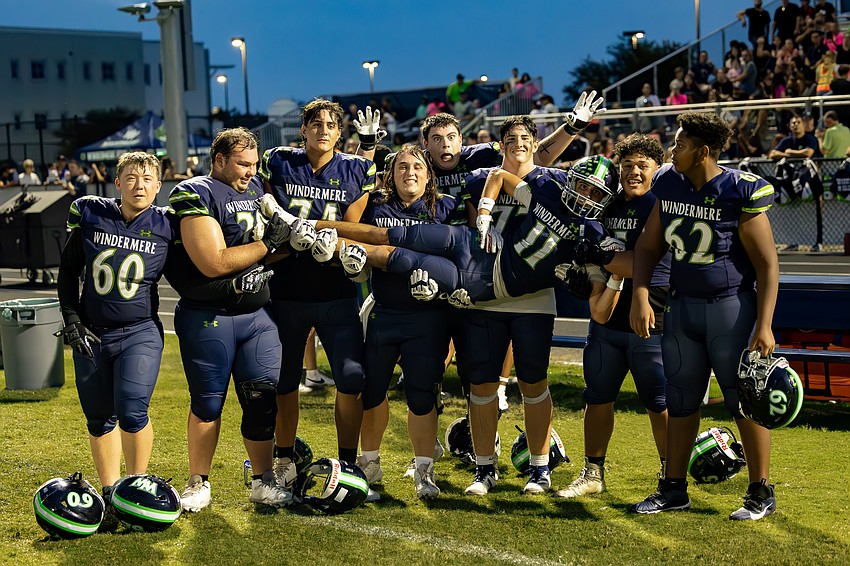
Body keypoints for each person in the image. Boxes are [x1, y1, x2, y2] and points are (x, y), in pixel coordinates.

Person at [630, 112, 780, 521]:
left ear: (704, 152)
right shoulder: (670, 183)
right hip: (681, 308)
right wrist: (640, 294)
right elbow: (647, 247)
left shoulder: (739, 190)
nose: (672, 151)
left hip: (730, 308)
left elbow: (767, 265)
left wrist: (764, 324)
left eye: (680, 144)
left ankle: (760, 490)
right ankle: (673, 488)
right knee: (680, 398)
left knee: (743, 400)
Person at [169, 127, 293, 512]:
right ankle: (198, 481)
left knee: (262, 400)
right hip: (211, 316)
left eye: (255, 165)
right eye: (242, 164)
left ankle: (261, 480)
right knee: (208, 402)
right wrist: (269, 244)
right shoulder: (195, 191)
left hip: (256, 315)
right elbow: (214, 262)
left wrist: (292, 242)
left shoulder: (255, 190)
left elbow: (263, 255)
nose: (250, 172)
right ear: (219, 159)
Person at [459, 116, 581, 496]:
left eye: (524, 138)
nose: (517, 144)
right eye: (509, 138)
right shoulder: (479, 179)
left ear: (534, 141)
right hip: (487, 296)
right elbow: (470, 237)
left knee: (534, 381)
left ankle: (540, 467)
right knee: (480, 384)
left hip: (534, 297)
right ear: (499, 144)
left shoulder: (552, 181)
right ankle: (483, 468)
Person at [258, 99, 376, 491]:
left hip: (335, 289)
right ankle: (285, 458)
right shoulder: (277, 160)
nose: (323, 130)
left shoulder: (357, 168)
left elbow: (353, 227)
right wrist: (283, 222)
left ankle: (347, 462)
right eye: (316, 124)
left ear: (339, 133)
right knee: (285, 381)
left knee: (351, 378)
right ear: (303, 130)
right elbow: (263, 205)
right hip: (286, 289)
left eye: (330, 125)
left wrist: (334, 237)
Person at [55, 152, 171, 525]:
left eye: (148, 178)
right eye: (132, 178)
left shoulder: (169, 225)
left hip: (139, 331)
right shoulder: (91, 213)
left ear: (158, 185)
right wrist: (72, 319)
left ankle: (135, 490)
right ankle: (110, 494)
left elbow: (194, 274)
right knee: (98, 417)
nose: (140, 184)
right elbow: (68, 270)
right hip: (91, 332)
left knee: (133, 409)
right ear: (117, 182)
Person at [556, 134, 669, 499]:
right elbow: (594, 257)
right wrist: (589, 271)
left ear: (655, 168)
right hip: (607, 318)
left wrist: (599, 257)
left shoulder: (662, 205)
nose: (634, 173)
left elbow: (643, 262)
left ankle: (671, 476)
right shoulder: (605, 203)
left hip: (652, 316)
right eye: (627, 166)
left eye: (642, 166)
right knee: (598, 395)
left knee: (658, 399)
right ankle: (593, 473)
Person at [355, 145, 458, 499]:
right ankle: (369, 462)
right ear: (390, 173)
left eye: (417, 166)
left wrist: (442, 285)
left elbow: (462, 258)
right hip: (384, 311)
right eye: (401, 166)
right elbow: (359, 251)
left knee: (421, 394)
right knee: (372, 391)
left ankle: (424, 467)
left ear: (429, 174)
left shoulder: (445, 207)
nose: (409, 172)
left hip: (428, 316)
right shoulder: (377, 207)